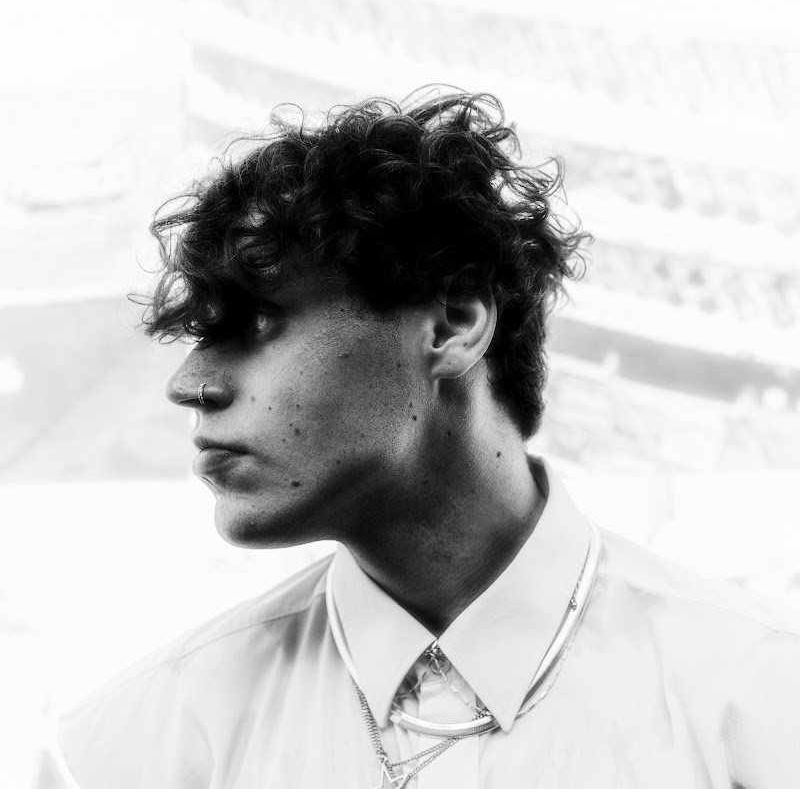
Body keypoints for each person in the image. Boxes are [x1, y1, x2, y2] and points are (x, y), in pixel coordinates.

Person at [58, 87, 800, 788]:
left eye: (257, 321)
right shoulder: (141, 745)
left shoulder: (761, 702)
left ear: (451, 326)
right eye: (199, 335)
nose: (189, 384)